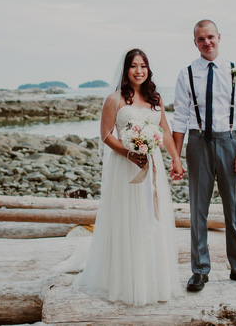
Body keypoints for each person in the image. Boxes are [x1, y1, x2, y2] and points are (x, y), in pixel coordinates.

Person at [75, 48, 184, 305]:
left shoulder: (155, 99)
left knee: (151, 219)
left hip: (152, 165)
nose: (139, 70)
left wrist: (176, 158)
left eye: (143, 65)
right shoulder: (114, 99)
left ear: (148, 69)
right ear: (126, 70)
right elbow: (105, 135)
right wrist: (128, 152)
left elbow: (165, 132)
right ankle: (125, 281)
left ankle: (152, 280)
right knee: (128, 219)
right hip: (126, 166)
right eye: (134, 66)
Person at [172, 19, 236, 292]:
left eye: (210, 37)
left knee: (233, 210)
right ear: (195, 42)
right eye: (201, 39)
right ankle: (200, 270)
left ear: (219, 37)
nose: (207, 42)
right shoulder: (187, 73)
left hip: (230, 142)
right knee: (197, 210)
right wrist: (176, 157)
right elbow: (179, 118)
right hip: (198, 142)